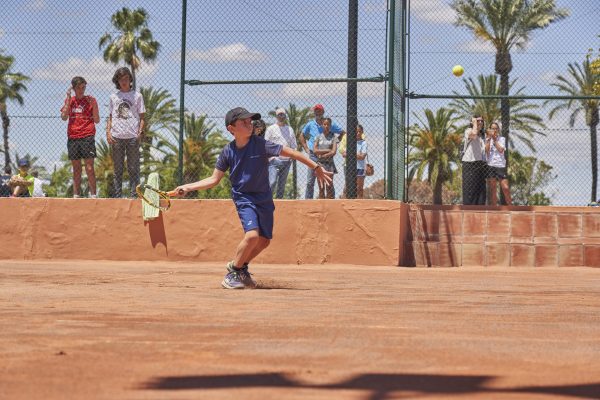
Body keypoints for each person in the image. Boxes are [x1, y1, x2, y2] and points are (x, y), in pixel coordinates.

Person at [172, 107, 332, 290]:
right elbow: (214, 179)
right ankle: (232, 273)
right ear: (231, 128)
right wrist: (187, 187)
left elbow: (293, 153)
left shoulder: (262, 144)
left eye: (250, 121)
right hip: (244, 197)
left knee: (264, 241)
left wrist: (316, 167)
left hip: (264, 198)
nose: (250, 124)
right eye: (244, 122)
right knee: (252, 236)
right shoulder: (227, 152)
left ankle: (241, 267)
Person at [106, 67, 145, 198]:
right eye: (121, 79)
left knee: (133, 169)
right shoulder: (113, 97)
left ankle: (134, 196)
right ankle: (117, 197)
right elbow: (111, 117)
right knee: (118, 170)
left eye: (126, 79)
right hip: (117, 137)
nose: (124, 81)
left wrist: (140, 132)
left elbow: (142, 117)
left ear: (130, 80)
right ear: (117, 80)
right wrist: (108, 133)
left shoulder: (137, 96)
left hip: (132, 137)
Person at [60, 76, 100, 198]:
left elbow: (97, 120)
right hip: (73, 137)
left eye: (83, 87)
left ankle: (93, 194)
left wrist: (93, 106)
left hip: (87, 136)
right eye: (79, 88)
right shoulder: (70, 101)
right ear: (73, 88)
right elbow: (63, 117)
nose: (82, 90)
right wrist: (67, 98)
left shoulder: (90, 100)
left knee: (89, 167)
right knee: (76, 168)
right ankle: (76, 194)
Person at [300, 104, 344, 199]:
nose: (317, 112)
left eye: (319, 111)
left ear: (323, 112)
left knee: (328, 182)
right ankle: (308, 202)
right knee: (310, 182)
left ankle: (331, 203)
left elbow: (342, 132)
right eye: (316, 111)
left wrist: (334, 143)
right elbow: (302, 135)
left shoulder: (330, 123)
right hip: (313, 156)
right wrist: (307, 149)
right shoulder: (310, 124)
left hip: (327, 158)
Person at [264, 108, 297, 199]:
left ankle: (279, 205)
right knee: (272, 182)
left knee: (282, 186)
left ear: (285, 116)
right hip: (274, 161)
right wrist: (270, 158)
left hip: (286, 161)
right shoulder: (271, 129)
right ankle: (266, 201)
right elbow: (265, 144)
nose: (281, 116)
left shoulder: (290, 129)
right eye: (279, 114)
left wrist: (291, 157)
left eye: (282, 114)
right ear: (276, 116)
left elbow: (294, 145)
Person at [461, 115, 487, 205]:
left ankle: (479, 210)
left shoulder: (483, 136)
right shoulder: (468, 131)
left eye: (481, 121)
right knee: (470, 191)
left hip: (480, 164)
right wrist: (474, 124)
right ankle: (468, 211)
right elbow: (473, 135)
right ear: (473, 122)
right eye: (478, 121)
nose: (480, 122)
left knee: (480, 192)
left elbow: (485, 151)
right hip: (469, 163)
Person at [485, 122, 512, 206]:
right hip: (491, 165)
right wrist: (489, 139)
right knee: (493, 189)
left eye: (496, 128)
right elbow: (487, 151)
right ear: (490, 130)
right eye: (492, 128)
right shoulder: (487, 139)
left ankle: (511, 206)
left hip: (500, 165)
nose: (494, 130)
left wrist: (494, 139)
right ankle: (494, 208)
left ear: (498, 130)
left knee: (505, 187)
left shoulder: (502, 139)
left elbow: (500, 150)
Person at [340, 124, 368, 198]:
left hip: (360, 168)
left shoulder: (363, 143)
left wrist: (350, 154)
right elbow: (343, 154)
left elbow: (362, 156)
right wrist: (357, 154)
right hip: (350, 168)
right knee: (347, 188)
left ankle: (360, 204)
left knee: (359, 188)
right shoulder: (349, 143)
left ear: (362, 132)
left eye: (359, 131)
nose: (358, 133)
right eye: (356, 132)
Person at [313, 118, 338, 199]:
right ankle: (321, 207)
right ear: (322, 125)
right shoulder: (318, 137)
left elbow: (333, 151)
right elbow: (315, 150)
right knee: (321, 187)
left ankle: (330, 207)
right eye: (324, 124)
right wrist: (327, 150)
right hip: (320, 164)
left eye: (328, 124)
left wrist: (323, 155)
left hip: (329, 164)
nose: (326, 126)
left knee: (329, 186)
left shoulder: (333, 137)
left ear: (330, 126)